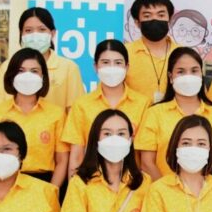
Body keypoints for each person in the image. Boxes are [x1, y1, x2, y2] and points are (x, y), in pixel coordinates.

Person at [0, 48, 68, 187]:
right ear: (11, 76)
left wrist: (52, 191)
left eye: (34, 71)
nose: (27, 76)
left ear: (43, 77)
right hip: (4, 181)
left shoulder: (56, 114)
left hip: (44, 183)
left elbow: (62, 160)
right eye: (21, 71)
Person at [135, 48, 212, 180]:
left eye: (194, 71)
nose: (188, 76)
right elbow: (146, 163)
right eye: (181, 71)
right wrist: (168, 190)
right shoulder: (154, 114)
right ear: (170, 77)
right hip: (162, 191)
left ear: (201, 74)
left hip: (209, 191)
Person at [64, 39, 153, 170]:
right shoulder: (81, 104)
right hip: (92, 178)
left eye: (118, 63)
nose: (112, 68)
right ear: (96, 67)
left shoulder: (143, 103)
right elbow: (76, 155)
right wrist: (74, 182)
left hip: (132, 179)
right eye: (105, 62)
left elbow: (145, 155)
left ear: (127, 67)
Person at [0, 7, 86, 109]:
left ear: (52, 33)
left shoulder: (69, 68)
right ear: (21, 34)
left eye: (42, 29)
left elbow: (75, 111)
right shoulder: (7, 66)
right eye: (28, 30)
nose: (35, 35)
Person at [126, 0, 176, 100]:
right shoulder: (124, 53)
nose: (155, 20)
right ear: (137, 22)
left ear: (170, 19)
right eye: (147, 16)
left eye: (161, 15)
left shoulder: (184, 53)